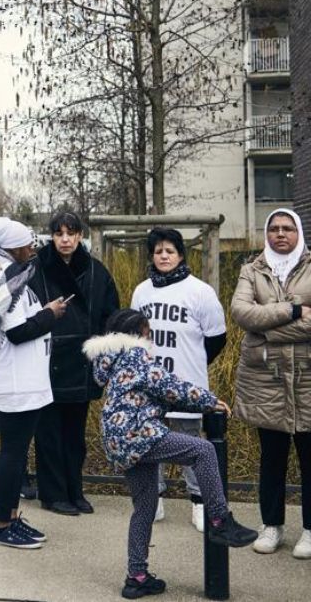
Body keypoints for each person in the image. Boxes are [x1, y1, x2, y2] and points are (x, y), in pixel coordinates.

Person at [84, 308, 257, 599]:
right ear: (140, 332)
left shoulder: (110, 359)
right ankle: (218, 520)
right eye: (148, 331)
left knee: (145, 506)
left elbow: (158, 395)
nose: (150, 336)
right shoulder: (137, 355)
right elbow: (170, 387)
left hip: (117, 438)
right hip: (137, 432)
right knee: (202, 451)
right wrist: (209, 401)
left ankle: (136, 577)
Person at [0, 217, 67, 549]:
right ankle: (1, 525)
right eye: (28, 243)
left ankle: (12, 516)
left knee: (17, 452)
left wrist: (41, 313)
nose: (32, 248)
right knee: (12, 454)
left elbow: (17, 321)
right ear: (13, 247)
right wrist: (50, 314)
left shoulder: (8, 276)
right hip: (14, 381)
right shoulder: (4, 279)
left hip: (23, 380)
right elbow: (17, 332)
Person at [130, 227, 226, 531]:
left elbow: (216, 339)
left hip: (187, 384)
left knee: (191, 444)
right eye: (158, 251)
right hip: (149, 387)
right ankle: (153, 498)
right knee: (149, 443)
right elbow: (134, 336)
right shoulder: (142, 290)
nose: (163, 256)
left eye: (169, 250)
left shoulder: (200, 291)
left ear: (181, 254)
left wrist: (192, 363)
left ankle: (199, 502)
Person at [231, 209, 311, 559]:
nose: (281, 234)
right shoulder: (252, 269)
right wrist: (296, 311)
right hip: (267, 380)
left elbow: (256, 321)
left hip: (307, 379)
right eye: (275, 229)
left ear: (299, 232)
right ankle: (272, 525)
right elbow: (241, 313)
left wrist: (266, 329)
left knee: (310, 460)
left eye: (288, 228)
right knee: (272, 458)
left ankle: (310, 530)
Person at [29, 212, 119, 516]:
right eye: (59, 234)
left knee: (75, 436)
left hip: (82, 363)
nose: (65, 239)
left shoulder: (96, 271)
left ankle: (75, 490)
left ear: (80, 236)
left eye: (71, 233)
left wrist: (102, 353)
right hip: (46, 362)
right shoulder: (36, 269)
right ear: (51, 237)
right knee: (49, 434)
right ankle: (52, 494)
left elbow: (110, 314)